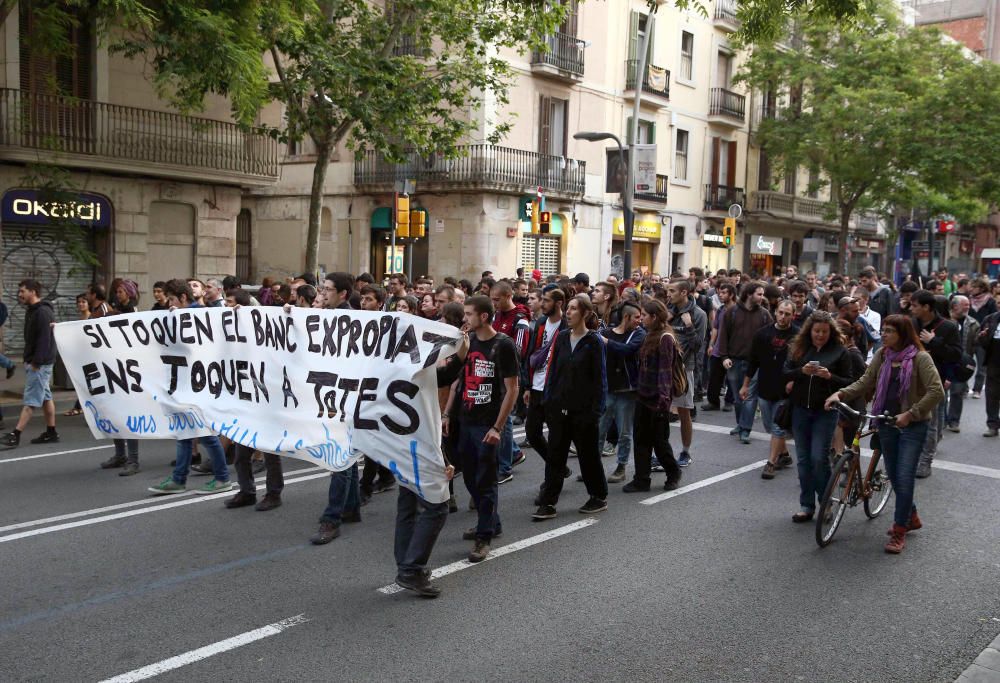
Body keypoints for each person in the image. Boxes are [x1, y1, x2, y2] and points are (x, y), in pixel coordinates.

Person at [826, 315, 945, 553]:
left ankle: (899, 531)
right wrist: (840, 394)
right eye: (884, 330)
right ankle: (910, 516)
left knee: (903, 476)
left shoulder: (921, 358)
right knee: (893, 473)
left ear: (903, 333)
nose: (884, 335)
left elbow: (936, 391)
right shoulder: (883, 355)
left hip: (912, 425)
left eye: (889, 331)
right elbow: (865, 382)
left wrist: (911, 414)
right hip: (885, 422)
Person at [437, 296, 519, 562]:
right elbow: (457, 381)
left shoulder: (502, 345)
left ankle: (484, 536)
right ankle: (491, 521)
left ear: (484, 317)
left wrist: (498, 426)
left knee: (485, 480)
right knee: (469, 476)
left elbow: (512, 389)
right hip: (464, 419)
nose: (465, 319)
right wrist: (448, 413)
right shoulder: (467, 342)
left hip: (486, 424)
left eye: (470, 314)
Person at [147, 279, 232, 495]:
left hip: (196, 385)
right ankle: (179, 479)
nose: (169, 304)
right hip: (185, 383)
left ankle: (222, 478)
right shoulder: (182, 316)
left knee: (203, 434)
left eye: (172, 299)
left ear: (183, 298)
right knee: (185, 432)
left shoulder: (200, 314)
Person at [532, 294, 608, 519]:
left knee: (588, 455)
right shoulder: (563, 337)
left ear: (584, 313)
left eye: (574, 309)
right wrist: (548, 400)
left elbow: (600, 379)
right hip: (559, 408)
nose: (568, 312)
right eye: (568, 308)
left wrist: (596, 410)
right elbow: (553, 370)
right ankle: (548, 502)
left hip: (584, 411)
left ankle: (598, 496)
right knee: (555, 456)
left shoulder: (594, 341)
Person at [782, 311, 851, 523]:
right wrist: (801, 371)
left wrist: (830, 376)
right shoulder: (799, 348)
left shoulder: (840, 352)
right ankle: (806, 504)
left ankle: (826, 502)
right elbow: (785, 373)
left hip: (826, 411)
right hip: (800, 409)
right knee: (803, 460)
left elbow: (849, 382)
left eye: (824, 331)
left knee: (818, 458)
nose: (820, 335)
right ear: (809, 331)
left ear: (831, 332)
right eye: (816, 331)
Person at [623, 299, 681, 492]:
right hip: (643, 395)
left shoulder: (665, 337)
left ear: (655, 317)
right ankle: (642, 479)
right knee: (641, 440)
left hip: (658, 400)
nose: (641, 320)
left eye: (645, 316)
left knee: (659, 442)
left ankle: (673, 473)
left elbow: (665, 371)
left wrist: (664, 401)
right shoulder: (649, 334)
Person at [742, 300, 796, 480]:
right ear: (775, 312)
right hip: (765, 388)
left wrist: (795, 381)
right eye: (781, 312)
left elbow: (801, 362)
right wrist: (745, 385)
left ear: (793, 315)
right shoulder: (763, 334)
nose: (783, 317)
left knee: (777, 427)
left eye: (787, 314)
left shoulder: (798, 336)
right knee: (769, 425)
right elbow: (753, 361)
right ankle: (785, 454)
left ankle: (771, 463)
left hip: (785, 390)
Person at [910, 290, 961, 478]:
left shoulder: (948, 327)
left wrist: (934, 341)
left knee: (930, 422)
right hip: (909, 378)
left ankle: (925, 461)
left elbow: (956, 354)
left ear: (927, 307)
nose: (911, 309)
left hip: (933, 380)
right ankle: (910, 457)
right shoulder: (911, 323)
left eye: (915, 305)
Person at [1, 279, 58, 448]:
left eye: (22, 291)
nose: (20, 295)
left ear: (33, 292)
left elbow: (44, 340)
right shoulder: (33, 311)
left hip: (39, 364)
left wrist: (36, 362)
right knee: (46, 398)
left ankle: (15, 434)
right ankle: (51, 432)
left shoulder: (41, 313)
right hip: (38, 361)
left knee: (31, 400)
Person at [720, 281, 773, 444]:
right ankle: (740, 423)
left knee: (749, 397)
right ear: (749, 294)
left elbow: (770, 337)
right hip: (734, 361)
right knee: (737, 398)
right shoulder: (732, 312)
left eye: (763, 294)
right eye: (759, 294)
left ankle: (745, 429)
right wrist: (724, 357)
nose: (762, 297)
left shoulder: (765, 314)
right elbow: (723, 336)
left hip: (755, 363)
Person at [598, 301, 645, 483]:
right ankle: (593, 466)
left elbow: (627, 350)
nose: (639, 321)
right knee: (599, 430)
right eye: (636, 318)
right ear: (626, 317)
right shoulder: (606, 332)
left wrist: (606, 342)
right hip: (607, 389)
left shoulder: (638, 334)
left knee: (624, 432)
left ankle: (621, 467)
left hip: (627, 390)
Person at [522, 287, 567, 472]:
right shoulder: (540, 323)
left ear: (558, 303)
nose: (542, 304)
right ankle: (559, 468)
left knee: (558, 437)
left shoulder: (566, 326)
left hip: (555, 390)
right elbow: (531, 354)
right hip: (536, 387)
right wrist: (527, 386)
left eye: (546, 300)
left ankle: (554, 475)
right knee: (532, 434)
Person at [665, 278, 707, 467]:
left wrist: (689, 326)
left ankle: (685, 451)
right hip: (663, 367)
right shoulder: (668, 310)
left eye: (672, 291)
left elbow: (698, 345)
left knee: (684, 413)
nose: (668, 294)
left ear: (684, 293)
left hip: (684, 369)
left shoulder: (699, 314)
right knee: (661, 412)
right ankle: (662, 451)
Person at [946, 295, 978, 433]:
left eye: (968, 305)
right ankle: (941, 420)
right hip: (944, 361)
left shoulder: (973, 323)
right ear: (954, 306)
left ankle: (954, 421)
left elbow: (976, 344)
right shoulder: (945, 321)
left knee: (957, 392)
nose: (967, 307)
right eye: (964, 305)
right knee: (939, 392)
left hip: (961, 364)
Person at [968, 278, 996, 399]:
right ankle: (963, 386)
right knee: (965, 362)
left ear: (981, 288)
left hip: (983, 336)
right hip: (969, 335)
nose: (971, 289)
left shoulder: (990, 301)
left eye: (973, 287)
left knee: (981, 365)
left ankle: (977, 389)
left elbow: (993, 318)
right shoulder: (968, 301)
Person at [977, 308, 1000, 437]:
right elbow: (983, 343)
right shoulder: (991, 319)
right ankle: (992, 425)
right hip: (994, 363)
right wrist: (982, 337)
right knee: (992, 394)